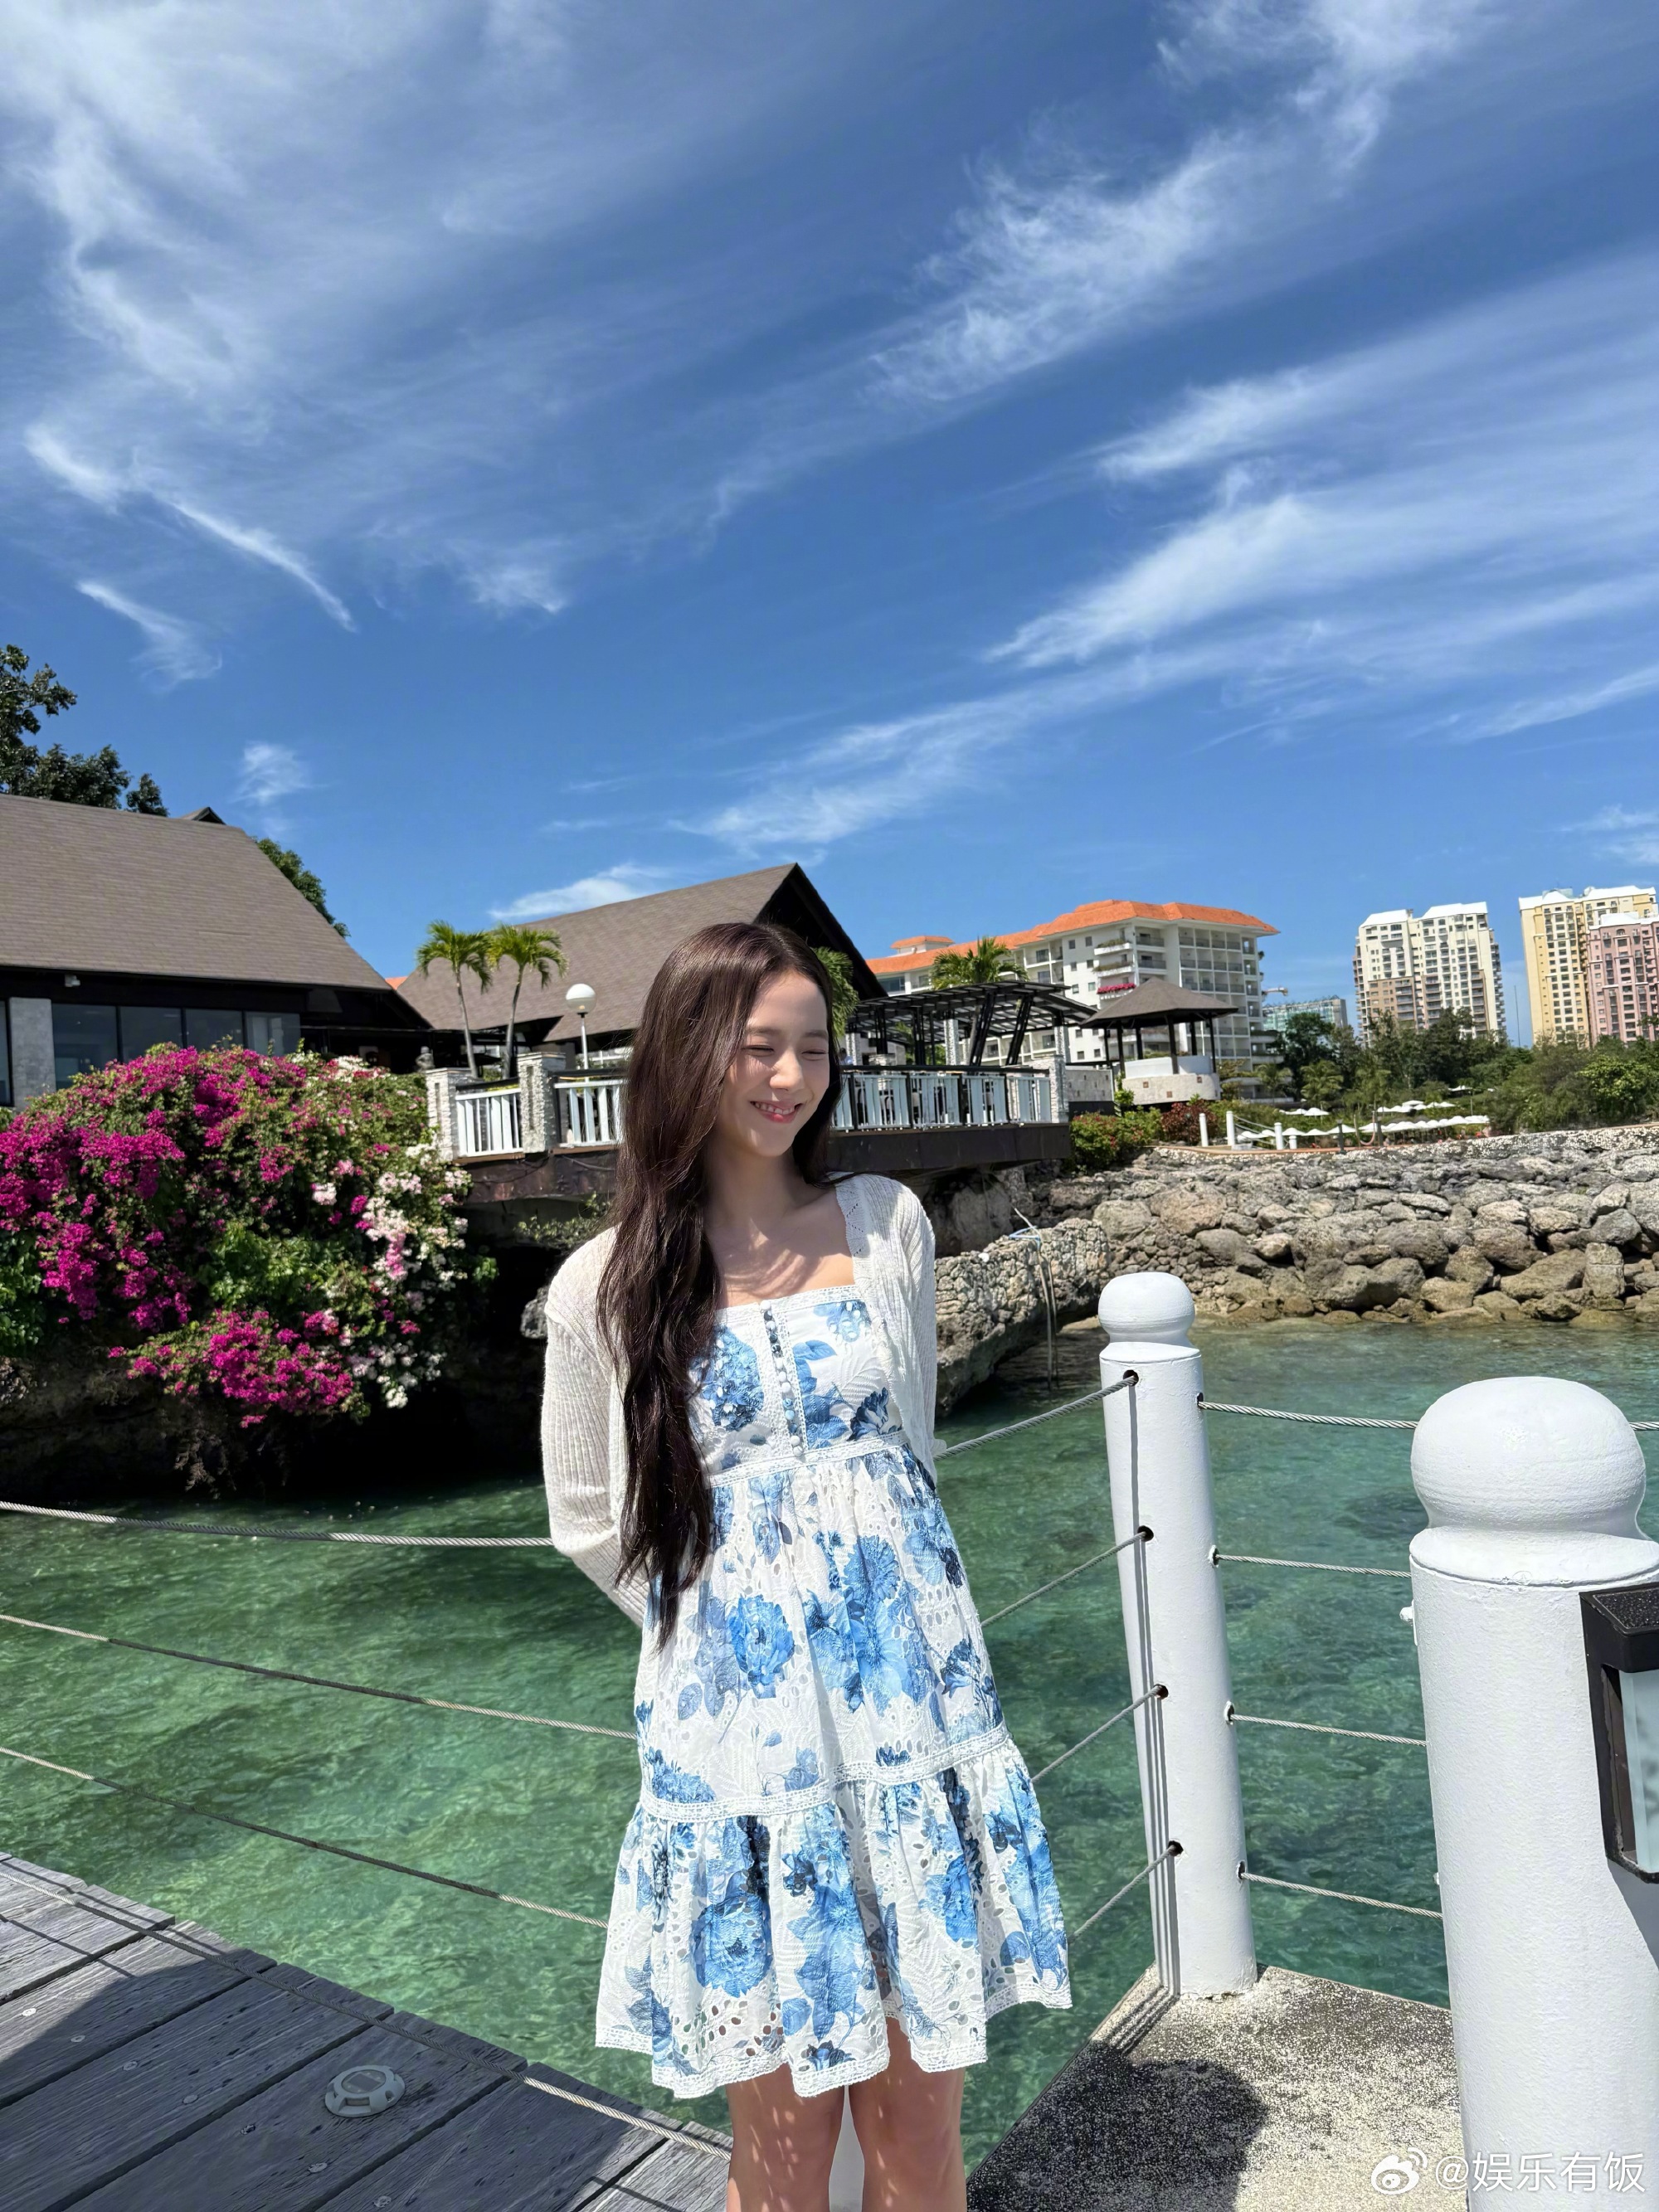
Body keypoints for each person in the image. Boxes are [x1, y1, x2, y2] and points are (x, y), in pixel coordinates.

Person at [542, 921, 1069, 2212]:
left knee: (918, 2141)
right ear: (685, 1055)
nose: (789, 1078)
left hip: (915, 1720)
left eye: (812, 1050)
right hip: (741, 1751)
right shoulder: (607, 1282)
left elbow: (909, 1458)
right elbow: (591, 1519)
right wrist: (723, 1630)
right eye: (756, 1047)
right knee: (778, 2166)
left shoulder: (886, 1223)